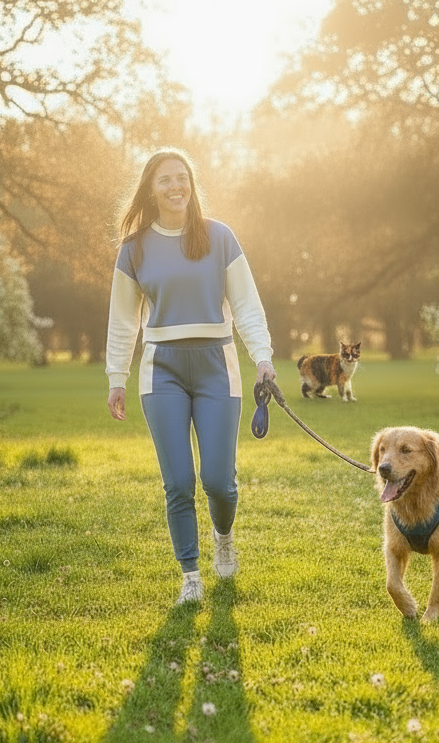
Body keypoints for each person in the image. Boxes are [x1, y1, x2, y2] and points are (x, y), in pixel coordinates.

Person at [105, 149, 276, 605]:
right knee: (178, 481)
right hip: (161, 370)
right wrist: (116, 377)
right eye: (165, 179)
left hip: (216, 365)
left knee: (219, 481)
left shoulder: (219, 237)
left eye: (182, 177)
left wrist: (262, 357)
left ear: (191, 184)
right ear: (151, 189)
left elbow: (246, 305)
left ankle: (224, 537)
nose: (175, 186)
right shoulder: (134, 248)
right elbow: (122, 320)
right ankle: (191, 576)